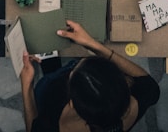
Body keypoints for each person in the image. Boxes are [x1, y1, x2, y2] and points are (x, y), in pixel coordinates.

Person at [20, 20, 160, 132]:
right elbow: (149, 85)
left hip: (49, 94)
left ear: (72, 102)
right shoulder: (142, 97)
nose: (79, 61)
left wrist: (27, 86)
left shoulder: (50, 124)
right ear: (125, 83)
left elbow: (32, 127)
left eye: (73, 72)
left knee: (48, 83)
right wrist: (92, 44)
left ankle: (50, 66)